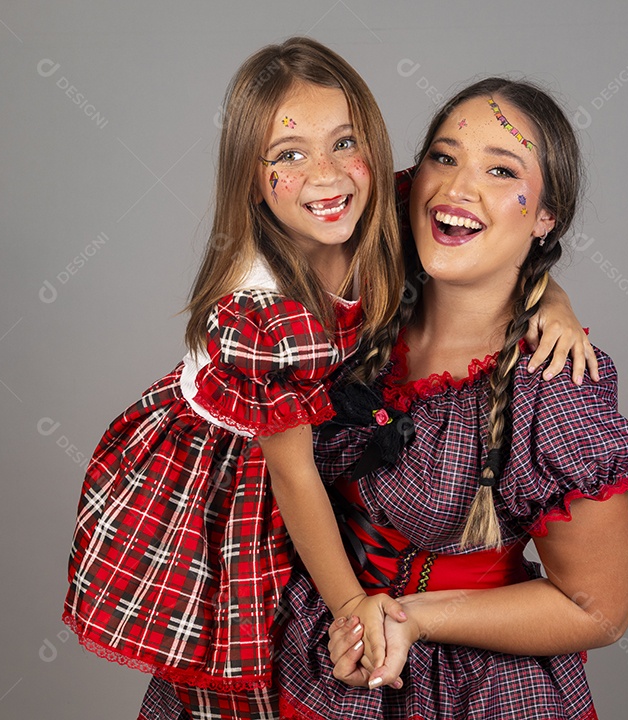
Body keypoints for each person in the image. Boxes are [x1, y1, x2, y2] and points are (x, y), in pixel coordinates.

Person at [88, 39, 592, 718]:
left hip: (310, 466)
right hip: (231, 479)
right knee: (242, 662)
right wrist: (352, 605)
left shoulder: (388, 208)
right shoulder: (265, 313)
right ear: (250, 176)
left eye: (344, 143)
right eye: (289, 156)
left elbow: (502, 232)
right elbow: (293, 476)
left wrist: (551, 302)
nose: (326, 175)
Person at [267, 77, 628, 720]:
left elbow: (599, 610)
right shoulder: (348, 308)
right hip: (303, 654)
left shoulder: (554, 386)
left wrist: (410, 618)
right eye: (443, 159)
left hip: (469, 690)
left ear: (546, 214)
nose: (457, 189)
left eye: (502, 170)